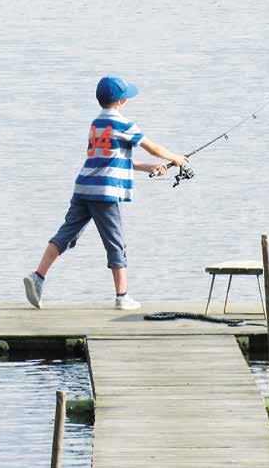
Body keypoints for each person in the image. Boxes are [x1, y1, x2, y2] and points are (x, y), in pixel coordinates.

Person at [23, 75, 188, 310]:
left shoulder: (96, 124)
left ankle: (38, 276)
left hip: (83, 188)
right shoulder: (124, 124)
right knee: (115, 243)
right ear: (122, 101)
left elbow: (109, 160)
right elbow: (153, 148)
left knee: (66, 234)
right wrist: (175, 158)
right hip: (104, 194)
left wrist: (148, 169)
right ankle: (122, 296)